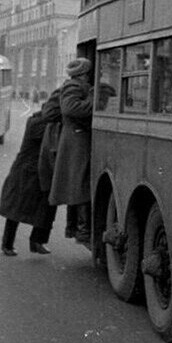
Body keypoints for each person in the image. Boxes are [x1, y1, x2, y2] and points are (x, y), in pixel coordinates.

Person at [49, 58, 94, 246]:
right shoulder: (73, 87)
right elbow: (70, 108)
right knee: (80, 184)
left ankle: (75, 227)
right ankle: (82, 229)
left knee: (78, 183)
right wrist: (94, 99)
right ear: (83, 74)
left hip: (75, 139)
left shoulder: (73, 85)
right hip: (77, 140)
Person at [1, 109, 58, 255]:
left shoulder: (42, 121)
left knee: (44, 207)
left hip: (37, 170)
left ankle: (36, 242)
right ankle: (8, 244)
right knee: (17, 208)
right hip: (27, 171)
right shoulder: (38, 123)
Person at [38, 86, 80, 238]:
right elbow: (49, 113)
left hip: (59, 147)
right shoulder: (66, 91)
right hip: (57, 148)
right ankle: (71, 228)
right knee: (71, 185)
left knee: (71, 185)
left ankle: (41, 237)